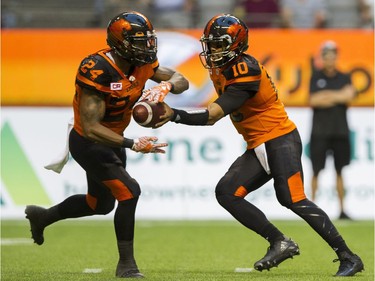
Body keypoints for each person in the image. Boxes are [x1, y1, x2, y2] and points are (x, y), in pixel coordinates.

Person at [149, 14, 363, 276]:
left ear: (235, 44)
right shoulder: (222, 66)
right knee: (227, 192)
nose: (212, 49)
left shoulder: (244, 69)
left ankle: (348, 256)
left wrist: (174, 115)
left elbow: (213, 116)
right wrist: (166, 85)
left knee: (292, 199)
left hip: (279, 138)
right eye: (210, 43)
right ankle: (279, 241)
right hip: (258, 143)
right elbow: (184, 82)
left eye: (219, 43)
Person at [25, 11, 189, 278]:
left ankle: (43, 217)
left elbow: (183, 80)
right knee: (130, 192)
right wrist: (132, 143)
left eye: (147, 40)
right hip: (89, 142)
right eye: (138, 41)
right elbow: (91, 128)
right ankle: (126, 266)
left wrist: (166, 87)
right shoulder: (97, 68)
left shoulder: (143, 64)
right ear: (120, 42)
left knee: (99, 205)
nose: (146, 46)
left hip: (112, 141)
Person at [309, 40, 356, 220]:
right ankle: (312, 209)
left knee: (340, 170)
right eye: (327, 56)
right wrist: (339, 96)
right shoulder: (316, 76)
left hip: (340, 131)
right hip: (320, 132)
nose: (330, 59)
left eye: (333, 55)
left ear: (336, 57)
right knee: (316, 170)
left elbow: (349, 95)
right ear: (323, 58)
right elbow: (314, 100)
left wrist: (327, 96)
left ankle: (342, 209)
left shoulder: (345, 77)